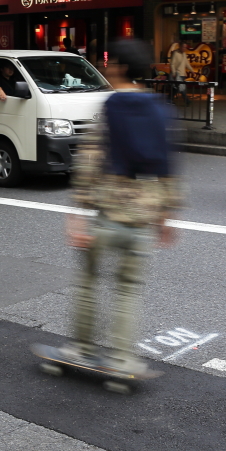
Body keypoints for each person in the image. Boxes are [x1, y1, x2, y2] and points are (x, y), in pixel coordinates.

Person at [64, 39, 182, 375]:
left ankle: (81, 348)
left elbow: (90, 159)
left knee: (88, 281)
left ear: (122, 67)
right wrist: (167, 217)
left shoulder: (112, 106)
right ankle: (120, 359)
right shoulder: (161, 109)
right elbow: (167, 166)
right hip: (142, 217)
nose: (107, 68)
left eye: (111, 63)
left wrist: (77, 214)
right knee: (128, 290)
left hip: (108, 215)